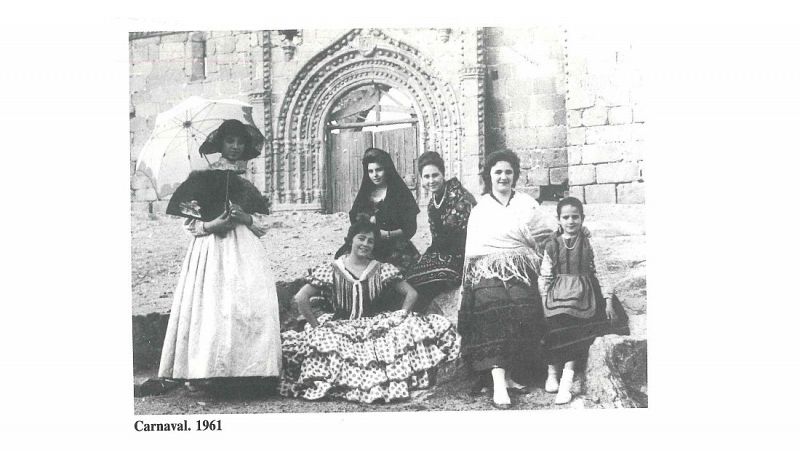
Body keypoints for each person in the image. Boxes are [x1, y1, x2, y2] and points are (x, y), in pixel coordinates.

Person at [157, 119, 282, 395]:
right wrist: (212, 225)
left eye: (240, 142)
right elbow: (189, 224)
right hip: (210, 251)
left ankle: (248, 373)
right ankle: (207, 373)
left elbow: (263, 223)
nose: (235, 147)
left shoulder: (247, 184)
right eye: (230, 141)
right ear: (221, 145)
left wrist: (244, 216)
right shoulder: (201, 179)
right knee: (212, 307)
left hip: (245, 251)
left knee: (248, 303)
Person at [281, 218, 461, 404]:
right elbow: (301, 297)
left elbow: (411, 293)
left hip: (372, 325)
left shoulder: (380, 269)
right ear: (350, 240)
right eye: (361, 238)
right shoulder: (332, 269)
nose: (365, 244)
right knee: (328, 345)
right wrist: (315, 325)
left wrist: (401, 315)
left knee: (405, 333)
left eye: (370, 241)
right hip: (340, 325)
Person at [458, 150, 555, 409]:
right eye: (498, 172)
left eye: (508, 172)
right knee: (492, 303)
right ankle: (498, 379)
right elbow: (472, 250)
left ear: (515, 175)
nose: (503, 177)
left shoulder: (526, 203)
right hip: (486, 268)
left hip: (521, 266)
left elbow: (547, 234)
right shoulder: (480, 208)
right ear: (489, 176)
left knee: (522, 303)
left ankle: (511, 375)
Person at [538, 197, 629, 404]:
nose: (571, 222)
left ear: (582, 218)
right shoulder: (552, 245)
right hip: (557, 293)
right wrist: (543, 299)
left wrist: (607, 301)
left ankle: (567, 381)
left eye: (575, 217)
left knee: (578, 328)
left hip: (585, 292)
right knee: (553, 323)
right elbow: (545, 275)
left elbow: (603, 273)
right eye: (566, 217)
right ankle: (552, 372)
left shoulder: (589, 243)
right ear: (559, 219)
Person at [406, 151, 476, 313]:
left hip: (463, 259)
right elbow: (437, 240)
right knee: (409, 276)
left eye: (435, 175)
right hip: (443, 255)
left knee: (422, 281)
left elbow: (462, 239)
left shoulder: (461, 199)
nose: (431, 181)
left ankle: (418, 313)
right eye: (426, 177)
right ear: (422, 179)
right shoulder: (433, 203)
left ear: (443, 175)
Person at [335, 147, 420, 274]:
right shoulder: (365, 194)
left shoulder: (400, 193)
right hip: (367, 245)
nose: (374, 175)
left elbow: (410, 228)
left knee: (389, 275)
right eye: (370, 171)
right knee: (343, 267)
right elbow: (355, 221)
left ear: (387, 169)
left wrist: (386, 234)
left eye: (379, 170)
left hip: (394, 246)